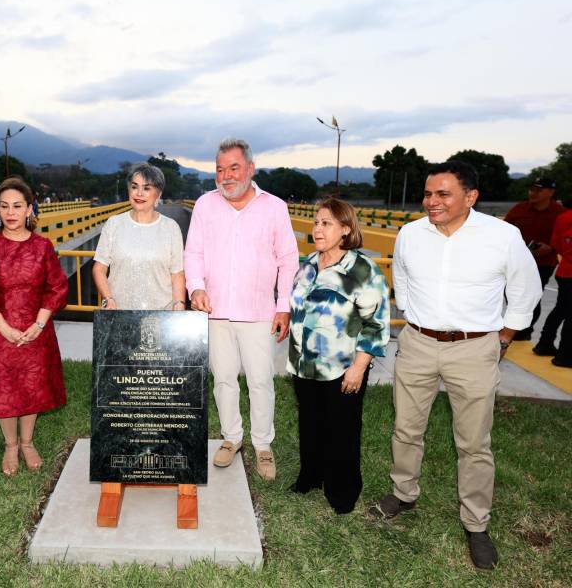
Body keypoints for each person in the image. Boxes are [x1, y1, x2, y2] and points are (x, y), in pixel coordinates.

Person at [368, 161, 542, 570]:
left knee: (473, 442)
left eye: (443, 194)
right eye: (428, 194)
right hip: (418, 344)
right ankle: (403, 493)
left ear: (470, 197)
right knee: (406, 427)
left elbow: (526, 289)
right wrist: (412, 315)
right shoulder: (411, 234)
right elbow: (404, 280)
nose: (432, 202)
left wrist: (504, 337)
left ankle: (476, 523)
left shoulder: (502, 237)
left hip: (474, 348)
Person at [185, 138, 299, 481]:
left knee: (261, 381)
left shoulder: (274, 206)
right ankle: (231, 438)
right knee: (222, 379)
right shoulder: (205, 205)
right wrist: (196, 287)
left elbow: (288, 258)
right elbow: (194, 254)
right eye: (220, 170)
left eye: (234, 168)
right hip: (216, 311)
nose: (226, 176)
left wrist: (283, 306)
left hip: (259, 312)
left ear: (250, 169)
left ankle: (263, 445)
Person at [288, 198, 389, 514]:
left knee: (342, 429)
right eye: (316, 223)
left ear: (346, 229)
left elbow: (376, 323)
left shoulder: (361, 270)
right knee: (310, 424)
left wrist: (359, 367)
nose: (318, 228)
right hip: (305, 365)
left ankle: (343, 490)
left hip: (344, 367)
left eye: (326, 223)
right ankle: (311, 476)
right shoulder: (307, 266)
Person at [0, 178, 68, 476]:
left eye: (17, 206)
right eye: (5, 206)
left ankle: (27, 441)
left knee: (31, 385)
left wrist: (39, 322)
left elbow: (57, 287)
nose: (10, 213)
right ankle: (10, 444)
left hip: (36, 327)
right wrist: (4, 328)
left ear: (29, 209)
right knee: (4, 388)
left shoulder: (43, 246)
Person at [93, 163, 185, 311]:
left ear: (158, 194)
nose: (139, 193)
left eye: (147, 188)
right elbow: (99, 268)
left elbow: (177, 273)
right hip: (119, 313)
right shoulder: (114, 224)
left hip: (160, 315)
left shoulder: (171, 228)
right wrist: (108, 299)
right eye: (135, 187)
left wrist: (179, 304)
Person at [504, 177, 565, 340]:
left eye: (539, 190)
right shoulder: (519, 209)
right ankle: (515, 325)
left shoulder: (560, 213)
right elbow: (503, 231)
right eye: (532, 189)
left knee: (533, 296)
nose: (533, 193)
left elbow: (565, 239)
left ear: (551, 192)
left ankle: (524, 331)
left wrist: (551, 247)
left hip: (543, 262)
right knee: (511, 293)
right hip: (515, 261)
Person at [535, 205, 572, 366]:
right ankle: (566, 355)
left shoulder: (564, 217)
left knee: (561, 309)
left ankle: (544, 343)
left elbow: (556, 243)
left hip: (564, 270)